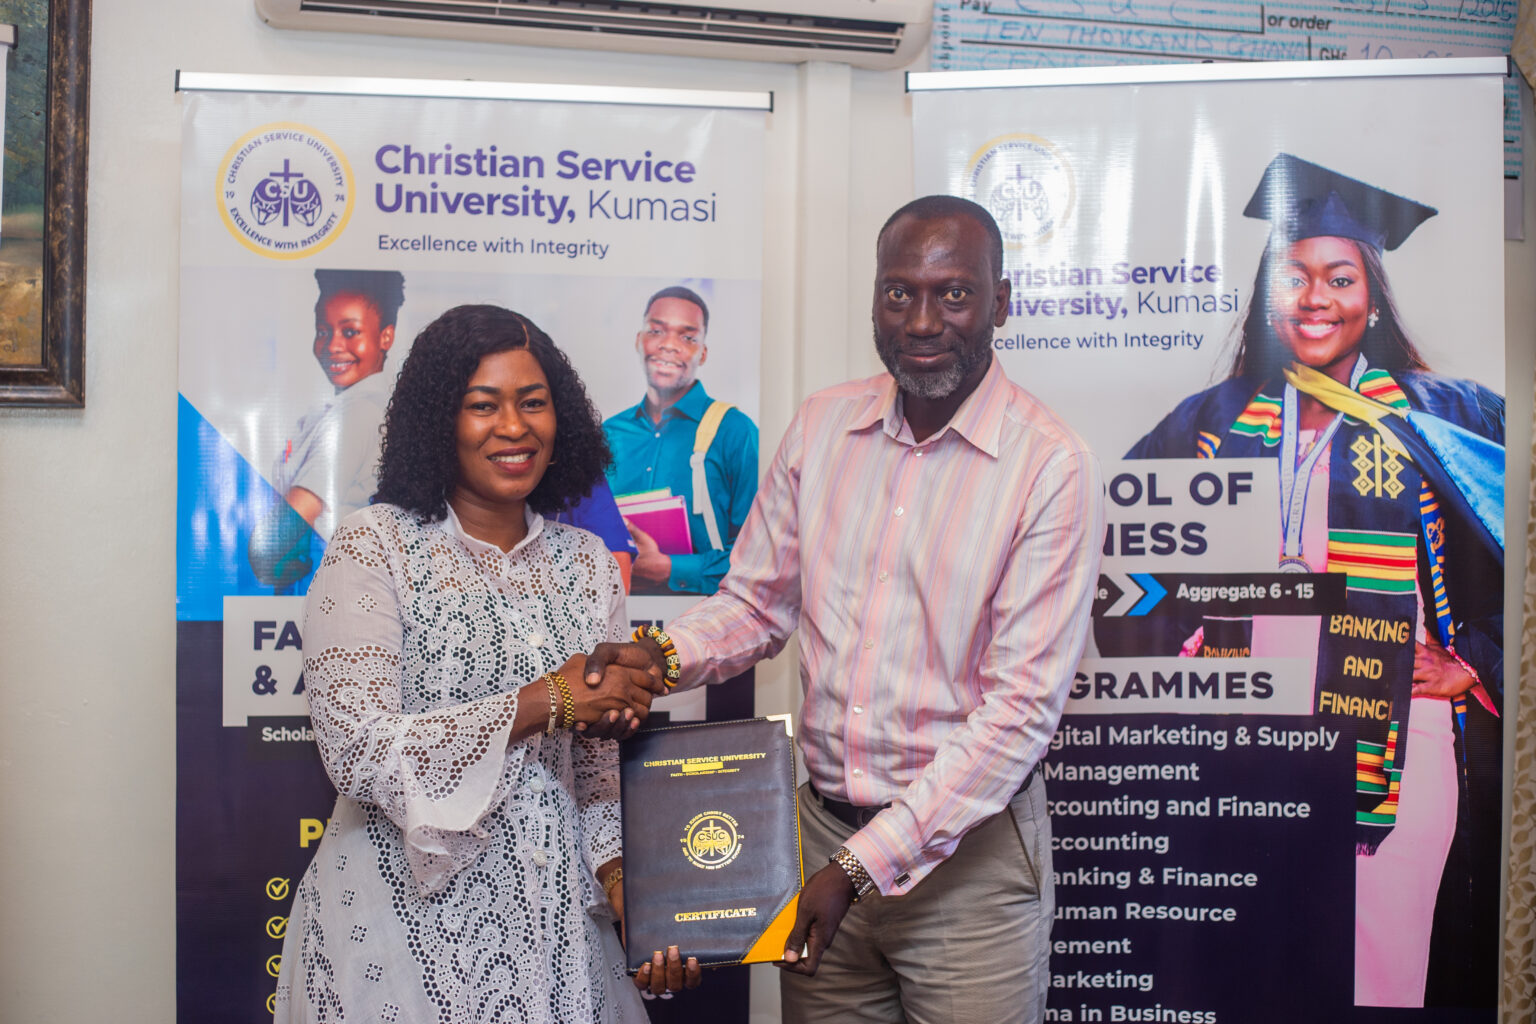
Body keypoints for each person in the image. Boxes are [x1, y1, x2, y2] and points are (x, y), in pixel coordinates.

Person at [590, 196, 1106, 1022]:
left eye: (954, 294)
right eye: (900, 293)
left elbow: (1018, 716)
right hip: (819, 836)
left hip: (967, 868)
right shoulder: (823, 427)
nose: (923, 321)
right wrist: (661, 658)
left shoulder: (1049, 466)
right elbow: (757, 603)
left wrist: (857, 869)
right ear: (874, 298)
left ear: (1001, 302)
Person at [1106, 154, 1504, 1008]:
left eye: (1340, 278)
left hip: (1391, 738)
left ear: (1372, 298)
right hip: (1242, 736)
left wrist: (1474, 661)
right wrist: (1176, 639)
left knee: (1377, 972)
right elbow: (1122, 551)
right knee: (1257, 970)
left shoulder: (1442, 416)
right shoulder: (1215, 422)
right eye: (1295, 277)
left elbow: (1518, 551)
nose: (1316, 297)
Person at [273, 304, 696, 1023]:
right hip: (400, 928)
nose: (513, 427)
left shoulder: (589, 565)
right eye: (483, 405)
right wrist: (545, 701)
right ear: (440, 419)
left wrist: (628, 888)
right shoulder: (375, 546)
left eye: (533, 402)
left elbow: (595, 771)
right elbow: (358, 752)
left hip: (557, 935)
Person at [249, 269, 405, 589]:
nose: (332, 345)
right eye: (323, 331)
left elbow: (274, 541)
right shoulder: (346, 411)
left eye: (350, 332)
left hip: (334, 592)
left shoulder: (358, 415)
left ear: (385, 337)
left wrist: (264, 562)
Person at [602, 285, 758, 595]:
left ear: (703, 353)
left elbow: (758, 555)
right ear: (639, 340)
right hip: (614, 613)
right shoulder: (607, 434)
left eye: (687, 337)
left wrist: (671, 568)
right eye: (657, 331)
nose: (669, 345)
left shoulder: (735, 431)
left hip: (702, 615)